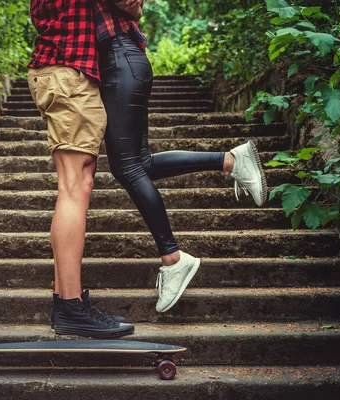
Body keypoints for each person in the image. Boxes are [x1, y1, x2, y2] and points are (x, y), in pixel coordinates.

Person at [95, 0, 268, 313]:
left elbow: (132, 5)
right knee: (140, 164)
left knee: (127, 167)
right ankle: (230, 160)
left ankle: (173, 257)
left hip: (120, 60)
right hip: (119, 62)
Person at [27, 0, 134, 338]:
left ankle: (66, 303)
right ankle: (71, 305)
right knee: (75, 187)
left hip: (60, 71)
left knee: (74, 185)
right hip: (69, 74)